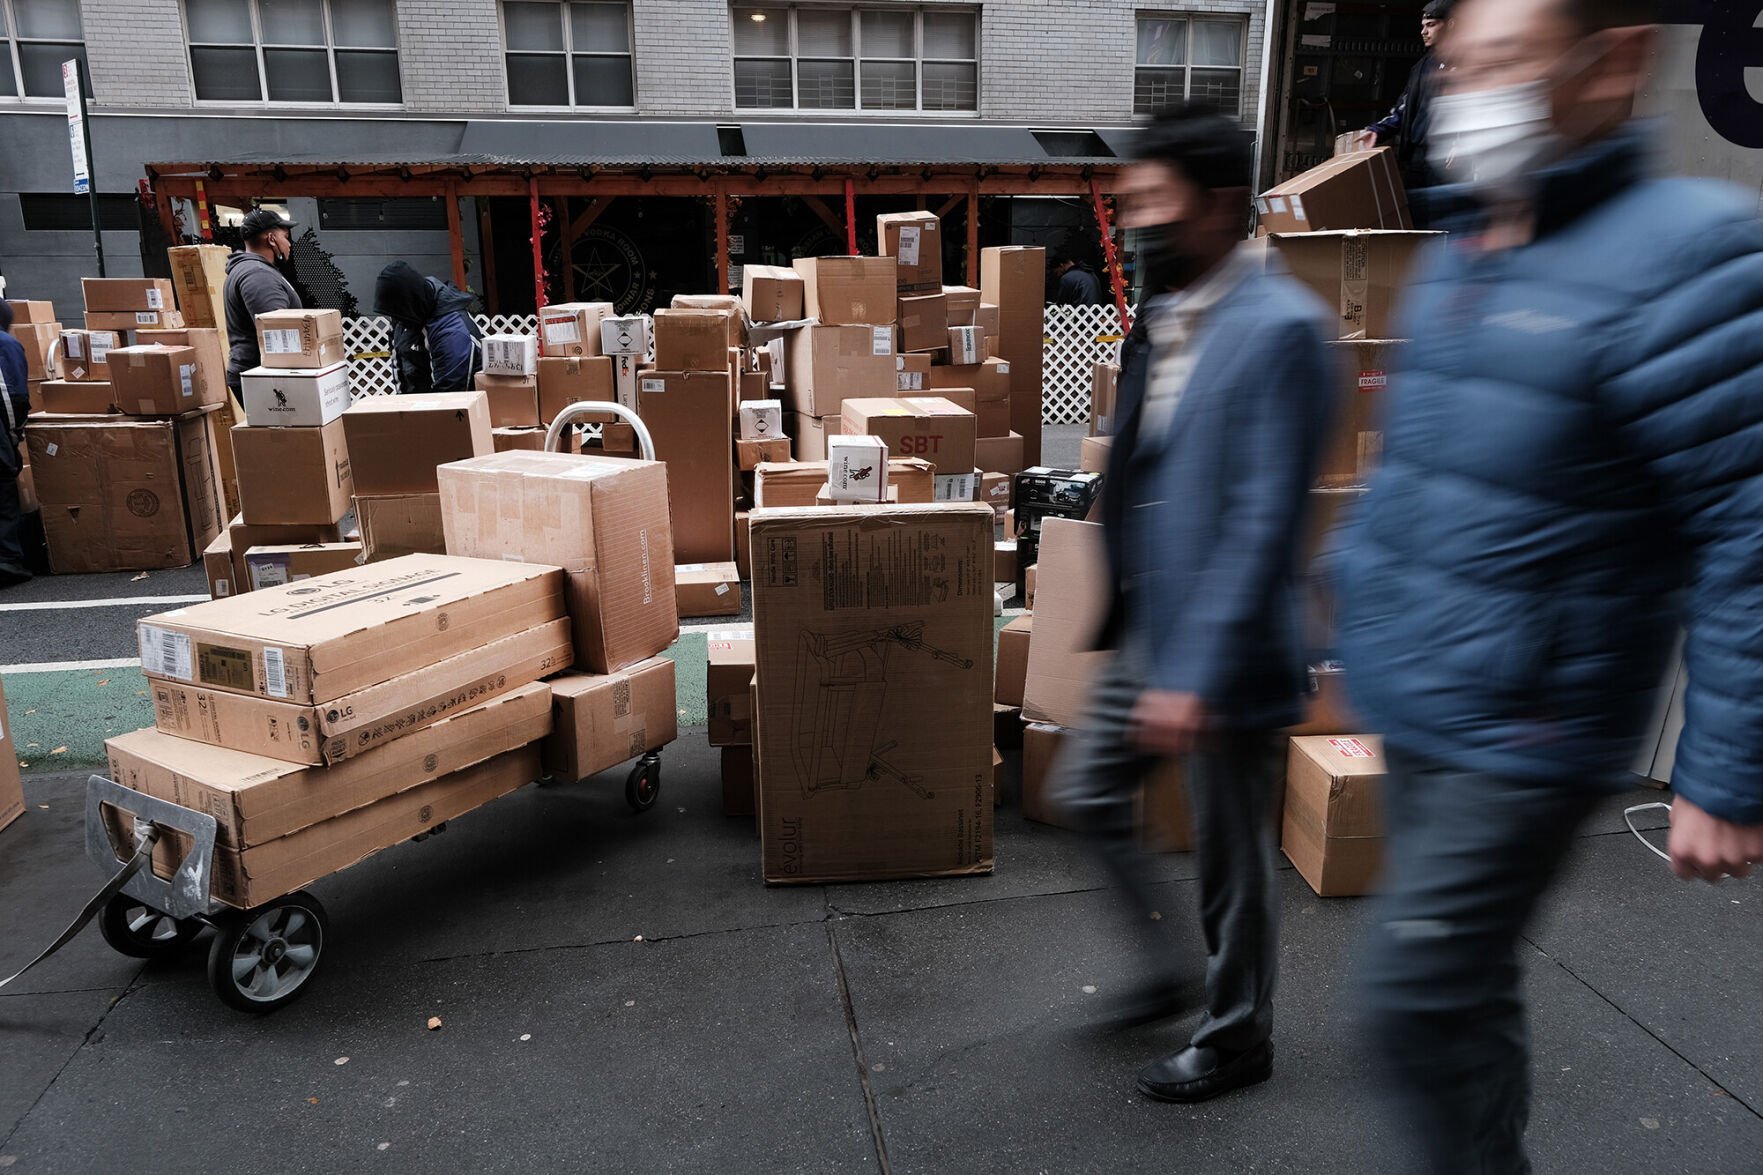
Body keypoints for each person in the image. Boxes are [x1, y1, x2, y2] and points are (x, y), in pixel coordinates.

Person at [1337, 0, 1763, 1169]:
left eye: (1506, 63)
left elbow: (1748, 524)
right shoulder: (1474, 241)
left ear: (1612, 62)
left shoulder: (1691, 256)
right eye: (1458, 67)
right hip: (1427, 693)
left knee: (1412, 995)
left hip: (1532, 721)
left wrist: (1726, 768)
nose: (1468, 95)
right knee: (1461, 988)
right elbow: (1429, 470)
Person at [1050, 105, 1333, 1104]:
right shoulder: (1165, 314)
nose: (1136, 223)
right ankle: (1167, 968)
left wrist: (1198, 674)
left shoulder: (1284, 329)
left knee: (1229, 854)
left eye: (1153, 202)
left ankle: (1236, 1035)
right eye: (1129, 203)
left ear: (1216, 205)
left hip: (1227, 640)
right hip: (1154, 624)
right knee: (1086, 791)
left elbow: (1264, 518)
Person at [1356, 0, 1455, 221]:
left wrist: (1460, 143)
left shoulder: (1468, 63)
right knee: (1414, 217)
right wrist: (1379, 130)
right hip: (1418, 156)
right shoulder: (1422, 67)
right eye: (1423, 26)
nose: (1423, 32)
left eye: (1431, 25)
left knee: (1444, 219)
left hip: (1448, 158)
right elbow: (1404, 107)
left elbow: (1473, 108)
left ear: (1451, 24)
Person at [223, 207, 302, 394]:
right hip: (264, 378)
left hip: (259, 375)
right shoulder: (258, 276)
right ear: (271, 239)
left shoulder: (250, 269)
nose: (289, 243)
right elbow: (277, 334)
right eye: (285, 237)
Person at [373, 261, 482, 394]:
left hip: (457, 400)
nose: (394, 319)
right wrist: (402, 403)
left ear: (408, 302)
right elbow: (398, 363)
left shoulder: (452, 328)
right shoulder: (403, 317)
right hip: (424, 399)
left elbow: (450, 392)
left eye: (395, 312)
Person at [0, 301, 32, 587]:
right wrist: (14, 433)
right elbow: (14, 397)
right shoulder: (6, 344)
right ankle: (7, 559)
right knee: (3, 490)